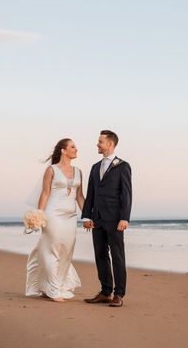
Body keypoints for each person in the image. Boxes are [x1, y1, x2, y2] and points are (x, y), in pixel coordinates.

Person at [26, 138, 84, 302]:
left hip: (70, 216)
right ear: (64, 151)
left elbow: (80, 197)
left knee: (66, 250)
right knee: (51, 249)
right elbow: (44, 194)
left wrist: (87, 215)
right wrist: (39, 216)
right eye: (73, 147)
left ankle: (51, 286)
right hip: (53, 214)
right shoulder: (51, 170)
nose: (76, 149)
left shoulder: (79, 171)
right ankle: (53, 289)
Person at [82, 130, 132, 308]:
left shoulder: (123, 166)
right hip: (97, 219)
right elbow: (91, 193)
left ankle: (119, 294)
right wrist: (87, 216)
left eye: (100, 142)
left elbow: (126, 195)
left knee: (118, 256)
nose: (97, 144)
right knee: (100, 255)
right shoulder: (95, 167)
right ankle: (105, 292)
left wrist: (124, 218)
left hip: (115, 219)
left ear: (110, 144)